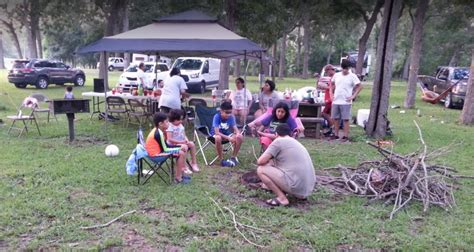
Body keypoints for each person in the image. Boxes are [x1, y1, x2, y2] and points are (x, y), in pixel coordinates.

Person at [257, 123, 316, 207]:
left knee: (261, 169)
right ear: (289, 134)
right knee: (274, 164)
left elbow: (260, 161)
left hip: (295, 186)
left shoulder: (278, 141)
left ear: (276, 134)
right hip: (307, 189)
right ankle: (289, 192)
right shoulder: (295, 142)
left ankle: (282, 198)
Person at [145, 112, 189, 184]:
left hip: (157, 152)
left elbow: (165, 146)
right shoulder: (158, 133)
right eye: (167, 122)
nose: (169, 123)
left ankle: (180, 174)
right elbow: (165, 149)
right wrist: (179, 147)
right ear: (160, 124)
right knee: (181, 153)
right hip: (155, 156)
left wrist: (179, 146)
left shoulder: (158, 130)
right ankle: (178, 178)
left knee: (181, 151)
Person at [329, 59, 362, 141]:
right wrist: (331, 94)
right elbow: (331, 85)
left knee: (345, 119)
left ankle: (345, 136)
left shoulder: (352, 76)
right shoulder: (336, 75)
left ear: (349, 68)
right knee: (335, 118)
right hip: (336, 100)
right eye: (343, 68)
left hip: (346, 102)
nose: (345, 70)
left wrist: (353, 96)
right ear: (341, 67)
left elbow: (360, 86)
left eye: (346, 69)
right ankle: (336, 135)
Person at [210, 101, 244, 167]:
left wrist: (238, 134)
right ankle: (221, 160)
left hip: (226, 135)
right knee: (218, 137)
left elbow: (236, 129)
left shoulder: (231, 117)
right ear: (221, 111)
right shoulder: (217, 117)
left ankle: (233, 157)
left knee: (240, 137)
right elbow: (217, 132)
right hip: (216, 135)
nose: (228, 114)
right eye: (227, 112)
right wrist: (229, 138)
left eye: (230, 112)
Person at [166, 109, 200, 173]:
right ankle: (184, 166)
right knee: (184, 147)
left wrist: (186, 140)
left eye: (182, 119)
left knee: (192, 144)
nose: (181, 121)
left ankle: (193, 163)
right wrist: (180, 142)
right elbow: (169, 139)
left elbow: (184, 135)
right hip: (172, 145)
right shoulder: (170, 126)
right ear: (173, 119)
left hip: (181, 142)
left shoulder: (180, 125)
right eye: (179, 120)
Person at [317, 64, 336, 137]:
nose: (327, 73)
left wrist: (326, 87)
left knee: (324, 114)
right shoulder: (331, 77)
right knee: (329, 114)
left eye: (326, 71)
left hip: (330, 99)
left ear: (330, 70)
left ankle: (332, 129)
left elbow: (334, 87)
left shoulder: (335, 77)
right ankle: (331, 130)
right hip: (328, 97)